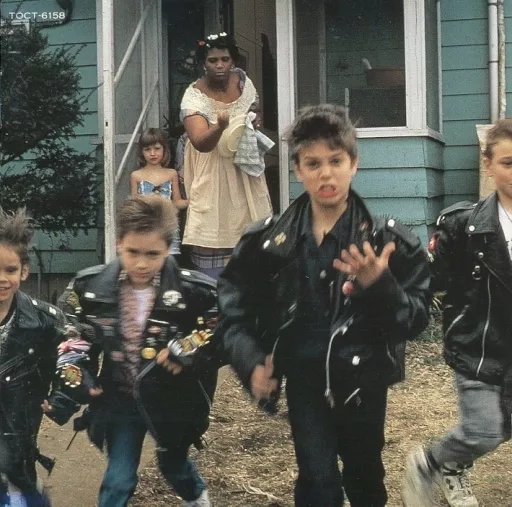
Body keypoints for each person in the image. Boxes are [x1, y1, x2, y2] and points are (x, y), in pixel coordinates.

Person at [216, 104, 431, 507]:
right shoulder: (270, 244)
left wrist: (380, 285)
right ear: (297, 169)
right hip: (305, 383)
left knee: (366, 480)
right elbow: (233, 307)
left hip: (364, 384)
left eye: (336, 161)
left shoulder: (386, 242)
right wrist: (250, 361)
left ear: (354, 164)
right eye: (313, 164)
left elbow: (417, 319)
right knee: (318, 483)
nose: (326, 174)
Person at [47, 196, 218, 507]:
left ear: (168, 249)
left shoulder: (194, 290)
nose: (141, 263)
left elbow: (220, 325)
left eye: (153, 254)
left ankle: (196, 497)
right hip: (121, 399)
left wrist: (186, 348)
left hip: (172, 400)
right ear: (119, 244)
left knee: (174, 464)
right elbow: (73, 338)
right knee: (118, 480)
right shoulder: (90, 288)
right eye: (133, 252)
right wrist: (74, 383)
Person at [402, 119, 512, 507]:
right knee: (484, 429)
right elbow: (429, 279)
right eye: (508, 162)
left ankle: (454, 465)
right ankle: (429, 464)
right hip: (476, 346)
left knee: (503, 428)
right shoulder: (464, 226)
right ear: (488, 165)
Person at [179, 32, 273, 279]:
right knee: (214, 222)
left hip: (243, 163)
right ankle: (214, 282)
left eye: (225, 59)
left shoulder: (242, 82)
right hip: (211, 167)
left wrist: (254, 121)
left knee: (249, 222)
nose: (219, 65)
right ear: (204, 63)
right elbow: (200, 142)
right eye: (213, 60)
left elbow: (254, 109)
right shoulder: (194, 95)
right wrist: (220, 127)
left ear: (233, 60)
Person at [0, 208, 66, 507]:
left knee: (17, 472)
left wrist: (63, 396)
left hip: (19, 418)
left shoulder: (44, 321)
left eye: (10, 270)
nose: (2, 279)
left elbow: (70, 358)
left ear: (24, 271)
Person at [131, 128, 188, 257]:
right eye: (147, 149)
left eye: (157, 148)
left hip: (168, 228)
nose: (152, 153)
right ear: (141, 152)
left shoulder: (171, 173)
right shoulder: (136, 175)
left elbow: (177, 202)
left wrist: (192, 201)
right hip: (146, 228)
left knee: (170, 261)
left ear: (164, 149)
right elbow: (135, 207)